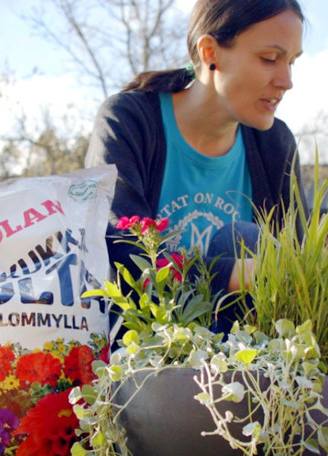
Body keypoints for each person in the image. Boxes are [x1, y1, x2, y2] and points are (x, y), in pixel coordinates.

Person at [84, 0, 305, 315]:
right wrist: (240, 275)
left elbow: (299, 269)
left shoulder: (275, 143)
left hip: (247, 352)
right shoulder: (129, 121)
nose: (286, 81)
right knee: (235, 240)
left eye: (292, 62)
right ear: (210, 52)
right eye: (269, 59)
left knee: (244, 238)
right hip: (141, 345)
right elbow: (120, 256)